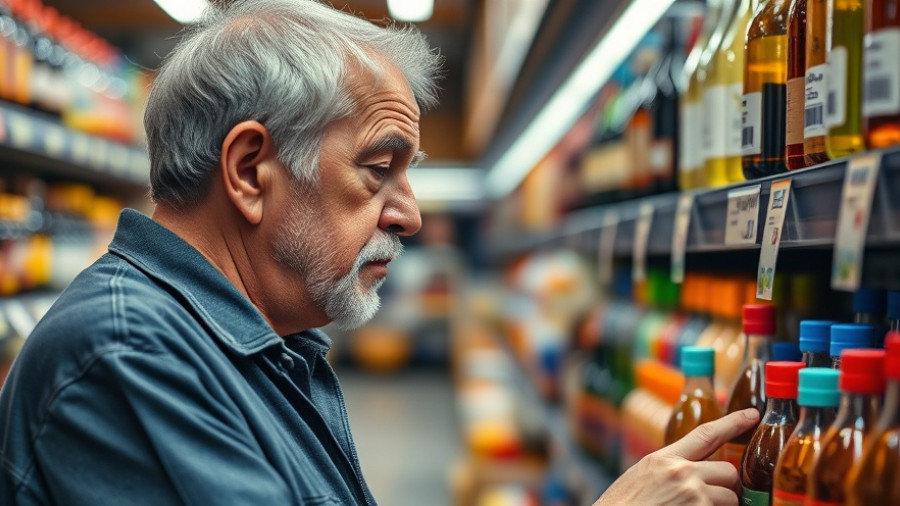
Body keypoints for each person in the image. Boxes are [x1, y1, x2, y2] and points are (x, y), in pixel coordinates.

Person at [0, 0, 759, 504]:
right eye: (378, 168)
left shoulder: (261, 345)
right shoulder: (128, 357)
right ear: (250, 172)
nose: (412, 214)